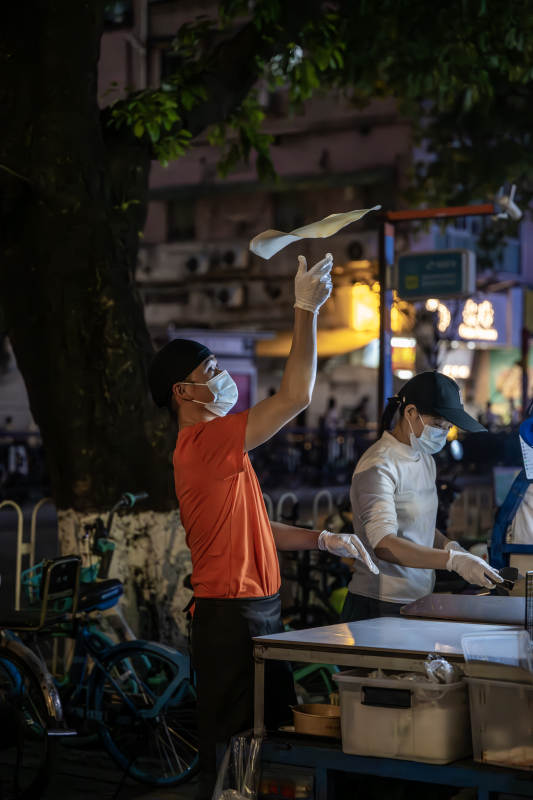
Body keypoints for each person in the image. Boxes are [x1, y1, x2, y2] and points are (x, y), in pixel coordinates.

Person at [148, 252, 378, 800]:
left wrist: (322, 540)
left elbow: (257, 527)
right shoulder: (202, 444)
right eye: (210, 372)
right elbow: (296, 397)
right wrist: (306, 311)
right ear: (183, 393)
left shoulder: (222, 447)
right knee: (232, 756)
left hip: (259, 609)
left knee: (267, 746)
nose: (222, 378)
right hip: (229, 618)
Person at [341, 371, 503, 622]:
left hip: (417, 599)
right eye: (439, 424)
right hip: (379, 604)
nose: (444, 432)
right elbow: (384, 544)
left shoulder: (425, 458)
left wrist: (451, 546)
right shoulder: (378, 465)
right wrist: (452, 561)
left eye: (449, 427)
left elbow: (419, 526)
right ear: (410, 413)